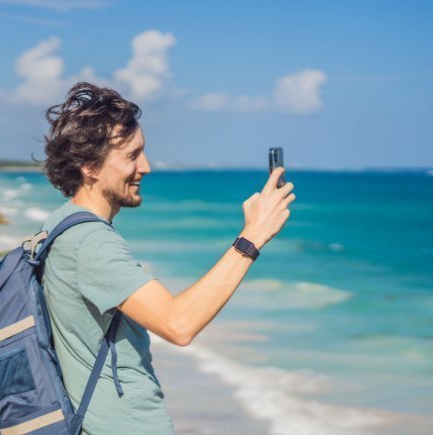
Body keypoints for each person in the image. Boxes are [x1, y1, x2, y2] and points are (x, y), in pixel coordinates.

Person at [39, 82, 295, 434]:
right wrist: (253, 236)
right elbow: (179, 324)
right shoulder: (90, 243)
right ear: (90, 166)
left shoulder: (60, 223)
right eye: (131, 156)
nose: (145, 166)